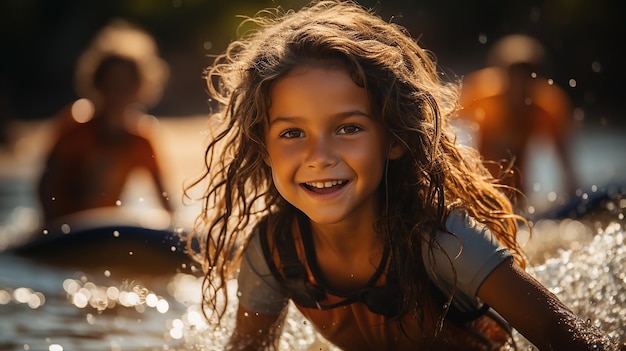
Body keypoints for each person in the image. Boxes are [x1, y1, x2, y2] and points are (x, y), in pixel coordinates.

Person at [186, 1, 624, 350]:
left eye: (348, 128)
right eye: (293, 132)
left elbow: (565, 335)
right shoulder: (274, 252)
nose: (319, 156)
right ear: (263, 148)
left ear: (395, 138)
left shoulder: (442, 241)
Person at [37, 19, 172, 223]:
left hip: (104, 230)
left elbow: (166, 204)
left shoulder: (142, 139)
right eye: (112, 84)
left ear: (140, 88)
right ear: (97, 84)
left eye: (126, 86)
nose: (118, 94)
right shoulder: (75, 127)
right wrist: (52, 230)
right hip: (64, 231)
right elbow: (45, 187)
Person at [458, 34, 579, 206]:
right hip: (478, 190)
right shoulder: (482, 96)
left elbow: (566, 165)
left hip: (518, 197)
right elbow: (443, 124)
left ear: (536, 81)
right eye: (513, 78)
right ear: (502, 77)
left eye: (526, 79)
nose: (519, 89)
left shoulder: (546, 108)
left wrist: (573, 200)